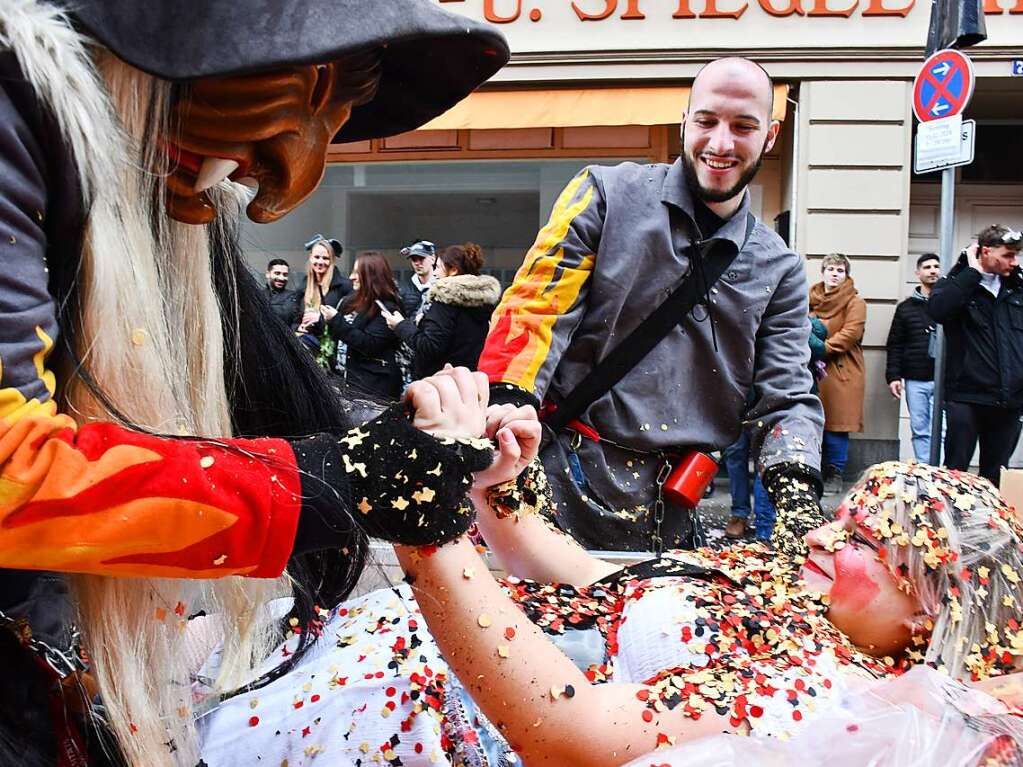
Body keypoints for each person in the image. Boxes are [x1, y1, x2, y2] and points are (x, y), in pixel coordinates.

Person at [0, 1, 509, 764]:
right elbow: (11, 473)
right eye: (298, 90)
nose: (283, 182)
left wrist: (405, 435)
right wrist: (326, 481)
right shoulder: (18, 106)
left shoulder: (159, 177)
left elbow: (266, 389)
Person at [198, 381, 1023, 766]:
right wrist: (498, 487)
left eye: (866, 543)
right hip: (361, 658)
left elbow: (575, 732)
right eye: (847, 514)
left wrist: (428, 523)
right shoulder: (785, 590)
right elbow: (598, 583)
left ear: (927, 611)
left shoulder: (825, 687)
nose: (826, 534)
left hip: (386, 725)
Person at [477, 57, 824, 553]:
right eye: (706, 121)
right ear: (684, 123)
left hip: (674, 504)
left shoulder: (781, 269)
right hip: (553, 479)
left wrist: (796, 497)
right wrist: (509, 405)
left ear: (768, 137)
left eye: (742, 127)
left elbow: (788, 394)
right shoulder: (604, 193)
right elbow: (535, 307)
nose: (720, 143)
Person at [928, 226, 1023, 485]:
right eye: (1007, 255)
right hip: (966, 397)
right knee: (955, 475)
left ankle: (990, 526)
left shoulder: (1017, 287)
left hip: (1008, 400)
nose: (1013, 262)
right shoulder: (958, 282)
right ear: (985, 251)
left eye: (1016, 256)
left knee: (996, 476)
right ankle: (952, 524)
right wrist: (972, 273)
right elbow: (937, 309)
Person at [724, 317, 826, 541]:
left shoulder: (791, 314)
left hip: (773, 400)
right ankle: (739, 514)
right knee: (735, 456)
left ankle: (765, 524)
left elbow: (818, 346)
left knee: (769, 457)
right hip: (737, 399)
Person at [387, 242, 502, 379]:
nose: (435, 273)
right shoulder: (483, 302)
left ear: (453, 270)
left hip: (441, 383)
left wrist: (401, 325)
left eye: (438, 267)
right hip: (469, 380)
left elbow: (428, 347)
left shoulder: (445, 302)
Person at [810, 253, 866, 496]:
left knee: (836, 426)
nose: (835, 274)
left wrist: (823, 348)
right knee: (812, 423)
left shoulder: (855, 301)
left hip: (841, 370)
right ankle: (812, 471)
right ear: (823, 272)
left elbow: (851, 333)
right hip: (810, 370)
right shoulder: (809, 298)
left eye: (840, 270)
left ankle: (834, 473)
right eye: (830, 269)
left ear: (846, 274)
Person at [885, 253, 941, 463]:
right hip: (916, 378)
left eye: (936, 266)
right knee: (919, 428)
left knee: (942, 430)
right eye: (927, 267)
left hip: (944, 379)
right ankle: (926, 469)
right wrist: (893, 377)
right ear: (918, 273)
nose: (933, 270)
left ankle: (941, 471)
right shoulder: (906, 308)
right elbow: (895, 344)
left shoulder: (950, 306)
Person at [326, 252, 405, 398]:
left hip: (375, 388)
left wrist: (336, 320)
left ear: (371, 276)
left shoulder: (387, 307)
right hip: (351, 381)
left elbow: (369, 344)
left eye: (357, 272)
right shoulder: (352, 301)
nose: (351, 277)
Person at [296, 236, 352, 364]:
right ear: (310, 258)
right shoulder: (303, 286)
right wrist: (299, 327)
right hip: (305, 352)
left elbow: (349, 324)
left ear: (332, 261)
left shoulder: (344, 287)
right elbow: (295, 317)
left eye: (325, 258)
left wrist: (319, 319)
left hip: (332, 356)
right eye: (316, 257)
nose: (320, 262)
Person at [397, 239, 438, 321]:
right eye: (414, 259)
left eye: (421, 258)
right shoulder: (401, 288)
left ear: (433, 259)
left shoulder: (443, 287)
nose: (417, 263)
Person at [264, 257, 303, 329]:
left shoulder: (294, 297)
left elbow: (297, 323)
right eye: (277, 273)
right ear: (268, 274)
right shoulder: (258, 296)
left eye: (285, 274)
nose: (281, 278)